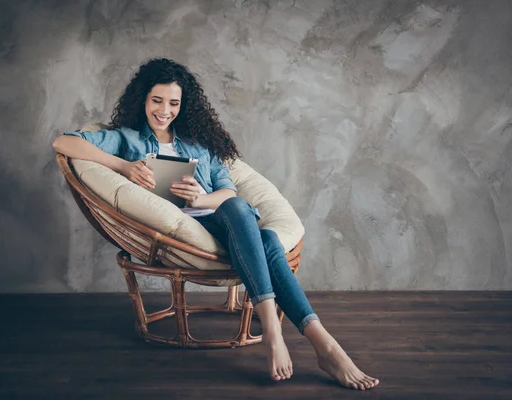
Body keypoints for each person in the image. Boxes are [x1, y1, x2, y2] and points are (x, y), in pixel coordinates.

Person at [53, 58, 380, 390]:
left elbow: (228, 191)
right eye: (157, 100)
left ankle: (276, 330)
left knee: (238, 206)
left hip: (218, 218)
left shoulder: (200, 146)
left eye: (173, 103)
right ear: (143, 99)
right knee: (267, 241)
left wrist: (199, 198)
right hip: (186, 232)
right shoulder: (128, 140)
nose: (164, 110)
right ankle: (322, 344)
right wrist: (125, 167)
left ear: (184, 105)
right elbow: (64, 143)